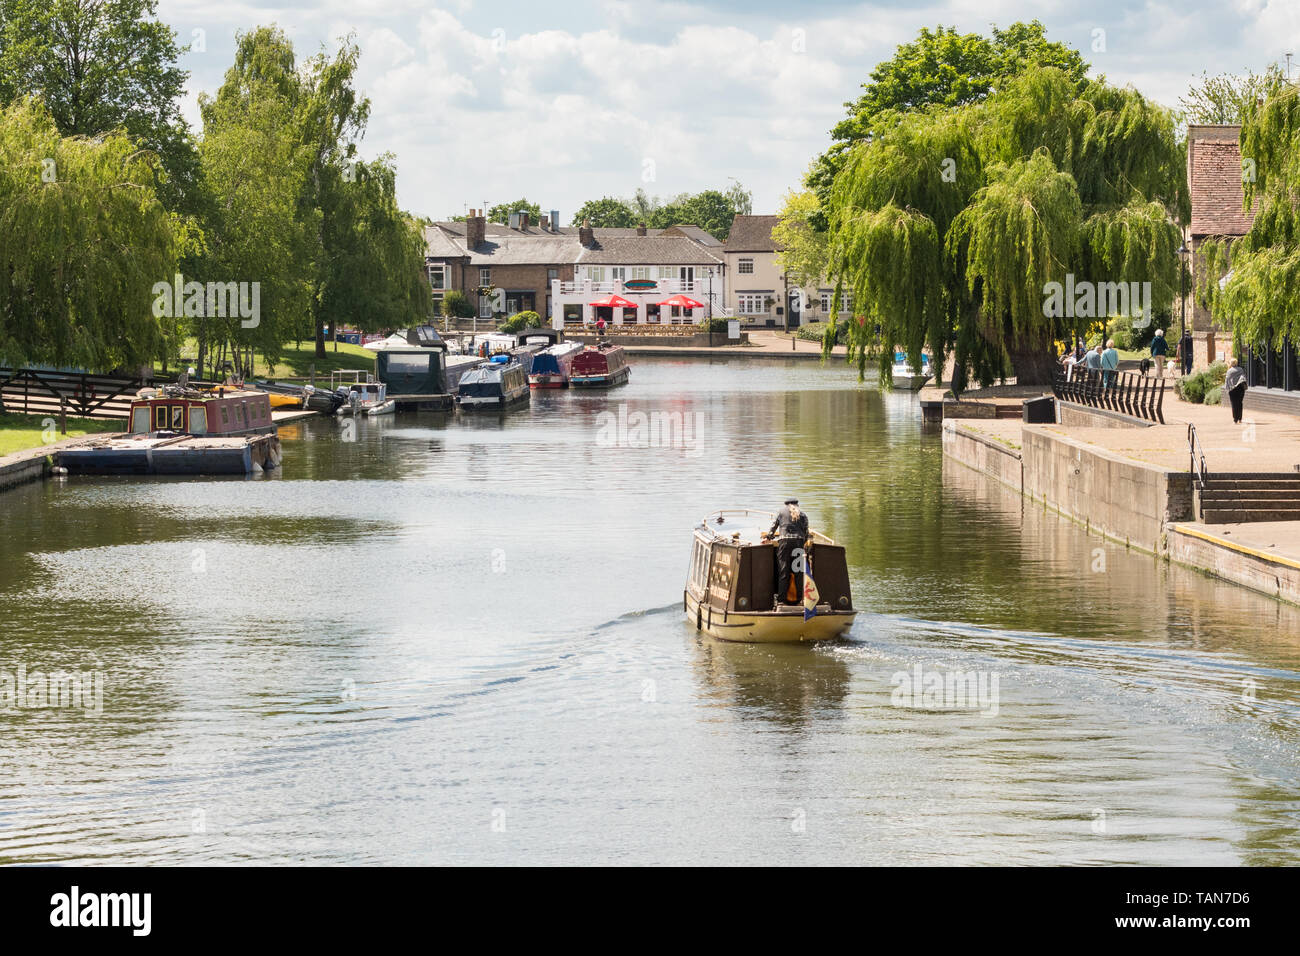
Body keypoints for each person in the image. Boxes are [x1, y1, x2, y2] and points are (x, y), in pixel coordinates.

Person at [767, 498, 809, 606]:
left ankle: (781, 600)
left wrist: (770, 536)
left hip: (784, 543)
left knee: (783, 571)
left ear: (786, 505)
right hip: (798, 543)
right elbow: (806, 532)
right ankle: (800, 600)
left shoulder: (781, 512)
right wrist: (803, 541)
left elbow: (773, 527)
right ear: (797, 505)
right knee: (798, 572)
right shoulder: (803, 515)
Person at [1225, 357, 1248, 424]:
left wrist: (1227, 389)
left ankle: (1235, 419)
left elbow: (1227, 381)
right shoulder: (1241, 369)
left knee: (1234, 404)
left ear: (1231, 363)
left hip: (1232, 389)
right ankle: (1240, 419)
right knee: (1240, 403)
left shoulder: (1229, 371)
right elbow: (1243, 377)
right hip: (1240, 388)